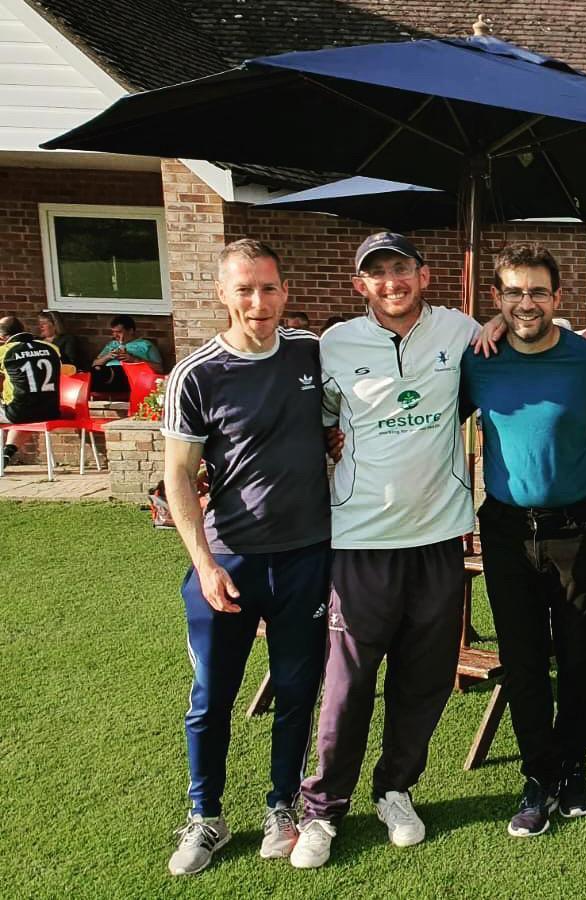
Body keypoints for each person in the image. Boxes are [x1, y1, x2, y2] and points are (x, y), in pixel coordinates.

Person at [292, 232, 481, 869]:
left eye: (401, 269)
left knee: (423, 680)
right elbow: (315, 420)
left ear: (424, 275)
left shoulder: (460, 329)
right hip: (361, 539)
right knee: (347, 686)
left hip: (438, 536)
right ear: (360, 287)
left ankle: (395, 788)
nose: (391, 282)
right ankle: (322, 808)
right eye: (377, 274)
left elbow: (524, 328)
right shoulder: (335, 343)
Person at [158, 239, 331, 875]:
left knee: (294, 689)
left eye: (268, 288)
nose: (258, 302)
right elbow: (178, 476)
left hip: (307, 557)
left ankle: (282, 806)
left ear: (286, 291)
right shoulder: (196, 374)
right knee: (213, 697)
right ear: (222, 295)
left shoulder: (313, 354)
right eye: (244, 289)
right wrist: (204, 564)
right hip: (229, 561)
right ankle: (206, 816)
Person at [459, 243, 586, 837]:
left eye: (536, 292)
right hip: (505, 526)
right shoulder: (477, 359)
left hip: (578, 526)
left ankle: (574, 766)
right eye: (513, 292)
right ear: (497, 300)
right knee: (523, 658)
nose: (525, 303)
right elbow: (436, 421)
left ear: (558, 298)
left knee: (579, 654)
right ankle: (539, 775)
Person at [1, 316, 64, 464]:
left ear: (2, 337)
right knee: (27, 408)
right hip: (50, 411)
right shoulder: (51, 347)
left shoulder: (4, 351)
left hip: (19, 412)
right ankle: (6, 455)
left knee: (21, 408)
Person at [90, 314, 163, 393]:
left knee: (102, 373)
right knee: (96, 370)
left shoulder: (145, 345)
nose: (115, 335)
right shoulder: (112, 345)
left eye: (119, 332)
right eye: (113, 332)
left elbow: (159, 368)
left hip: (129, 376)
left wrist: (133, 359)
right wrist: (108, 356)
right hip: (106, 374)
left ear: (130, 331)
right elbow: (94, 364)